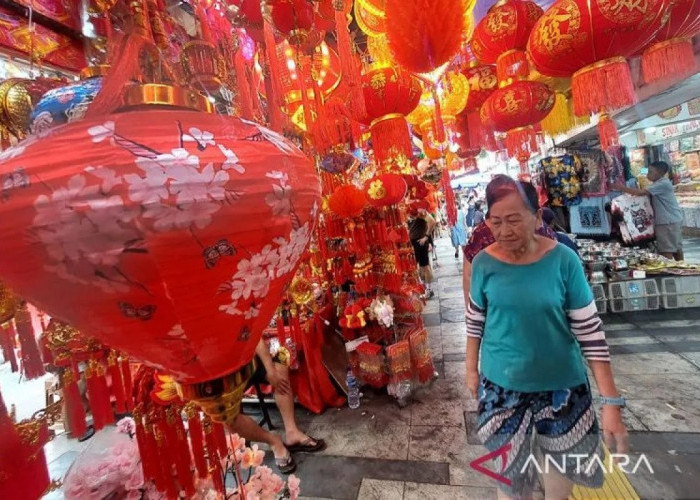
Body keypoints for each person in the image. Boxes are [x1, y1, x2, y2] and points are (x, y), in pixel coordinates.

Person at [465, 176, 627, 499]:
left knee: (560, 483)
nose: (504, 231)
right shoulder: (483, 264)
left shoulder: (564, 260)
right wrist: (471, 369)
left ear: (537, 217)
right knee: (512, 483)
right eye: (496, 222)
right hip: (502, 389)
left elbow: (590, 333)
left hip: (563, 388)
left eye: (514, 220)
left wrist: (610, 402)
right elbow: (475, 321)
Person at [461, 175, 558, 310]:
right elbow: (469, 275)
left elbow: (468, 275)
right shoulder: (481, 235)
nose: (505, 232)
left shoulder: (480, 233)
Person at [230, 338, 326, 474]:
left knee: (281, 361)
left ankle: (292, 432)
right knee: (229, 417)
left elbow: (255, 336)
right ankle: (274, 441)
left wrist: (270, 371)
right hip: (224, 374)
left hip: (248, 360)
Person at [611, 160, 684, 260]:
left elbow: (641, 192)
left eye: (650, 172)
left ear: (659, 173)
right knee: (676, 247)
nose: (647, 175)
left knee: (666, 250)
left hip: (667, 221)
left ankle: (670, 272)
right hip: (672, 220)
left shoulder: (661, 184)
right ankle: (682, 269)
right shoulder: (661, 183)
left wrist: (620, 187)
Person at [409, 215, 435, 298]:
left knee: (424, 266)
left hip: (420, 242)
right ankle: (425, 289)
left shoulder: (420, 211)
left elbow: (432, 221)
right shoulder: (412, 211)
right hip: (415, 243)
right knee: (419, 266)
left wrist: (426, 238)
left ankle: (428, 290)